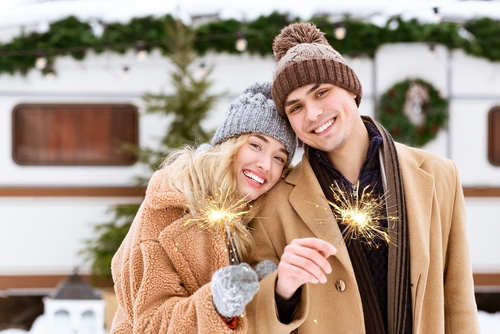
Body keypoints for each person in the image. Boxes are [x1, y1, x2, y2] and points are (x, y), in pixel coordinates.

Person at [245, 22, 480, 333]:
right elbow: (251, 318)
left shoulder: (439, 176)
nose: (313, 114)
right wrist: (281, 291)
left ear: (352, 89)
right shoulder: (274, 202)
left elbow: (459, 301)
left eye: (322, 92)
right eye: (296, 107)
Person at [109, 81, 297, 333]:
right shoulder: (172, 203)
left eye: (279, 158)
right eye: (256, 145)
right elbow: (149, 324)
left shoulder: (254, 214)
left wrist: (270, 291)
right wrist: (217, 303)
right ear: (230, 143)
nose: (266, 164)